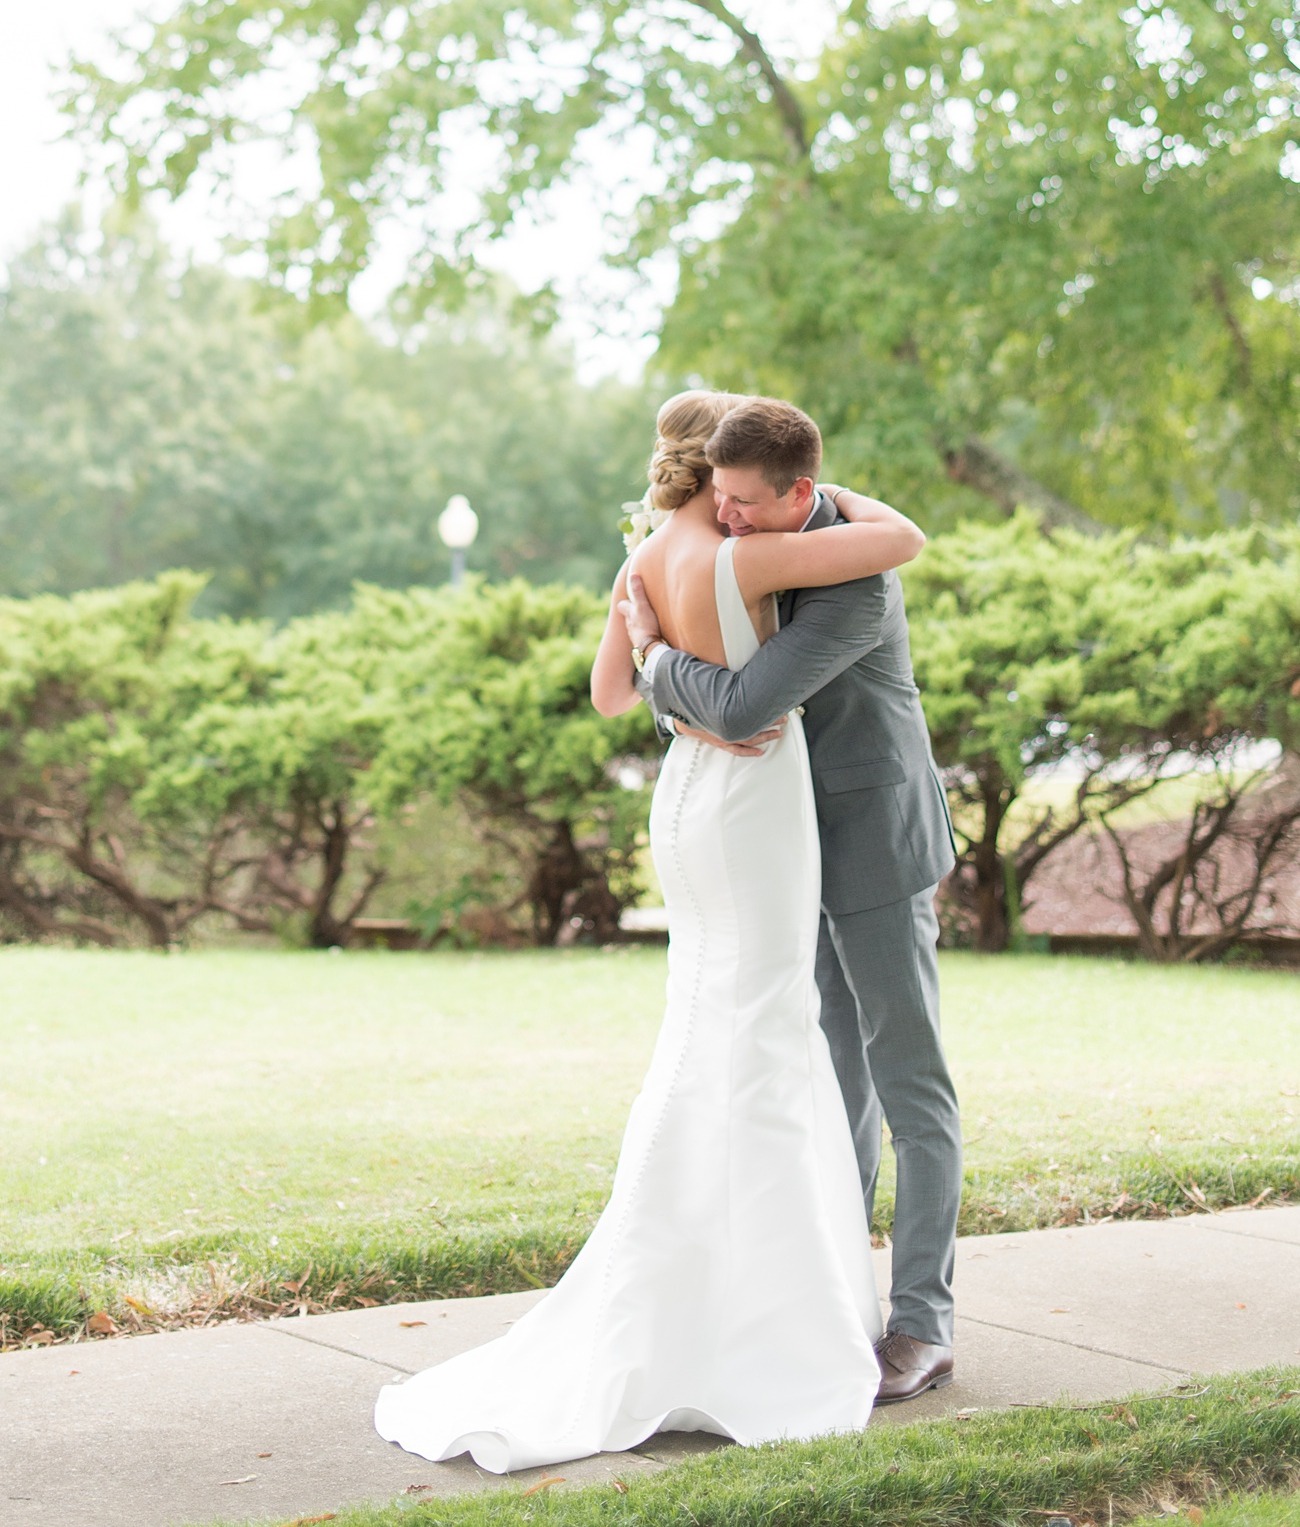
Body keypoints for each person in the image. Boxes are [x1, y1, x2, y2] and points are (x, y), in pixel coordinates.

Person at [373, 390, 927, 1474]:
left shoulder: (640, 559)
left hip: (681, 807)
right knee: (766, 1026)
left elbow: (609, 697)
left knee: (705, 1020)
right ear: (717, 475)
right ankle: (763, 1323)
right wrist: (711, 684)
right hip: (755, 802)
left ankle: (680, 1285)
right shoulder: (745, 561)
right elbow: (896, 544)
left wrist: (659, 657)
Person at [625, 396, 961, 1406]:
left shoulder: (854, 579)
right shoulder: (763, 541)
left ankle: (922, 1322)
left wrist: (652, 660)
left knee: (907, 1084)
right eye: (716, 499)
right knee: (828, 1082)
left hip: (874, 846)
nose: (722, 518)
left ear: (800, 495)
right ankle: (831, 1298)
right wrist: (659, 672)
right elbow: (712, 691)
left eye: (740, 504)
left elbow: (737, 703)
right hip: (788, 851)